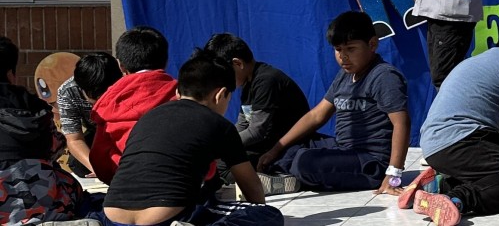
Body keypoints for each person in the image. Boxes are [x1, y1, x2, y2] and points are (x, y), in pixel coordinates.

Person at [98, 50, 282, 226]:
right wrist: (256, 208)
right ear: (220, 95)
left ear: (177, 93)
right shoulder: (220, 125)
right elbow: (251, 185)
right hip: (166, 218)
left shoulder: (148, 118)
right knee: (267, 215)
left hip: (112, 217)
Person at [257, 12, 410, 193]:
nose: (343, 57)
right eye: (338, 50)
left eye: (350, 49)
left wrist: (393, 174)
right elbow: (316, 116)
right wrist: (276, 149)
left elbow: (402, 123)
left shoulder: (384, 76)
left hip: (370, 161)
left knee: (306, 161)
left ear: (372, 44)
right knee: (289, 145)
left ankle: (290, 175)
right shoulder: (344, 75)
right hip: (343, 149)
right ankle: (285, 177)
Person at [412, 33, 499, 222]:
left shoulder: (477, 62)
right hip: (462, 140)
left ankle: (436, 186)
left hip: (433, 147)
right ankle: (456, 199)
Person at [203, 33, 311, 193]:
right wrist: (219, 143)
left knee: (224, 164)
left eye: (223, 75)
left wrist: (222, 146)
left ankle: (264, 182)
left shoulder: (266, 80)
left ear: (237, 63)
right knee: (219, 163)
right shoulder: (248, 84)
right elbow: (242, 124)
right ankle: (258, 179)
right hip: (264, 145)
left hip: (284, 147)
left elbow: (256, 131)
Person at [0, 36, 83, 222]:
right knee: (67, 181)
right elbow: (56, 147)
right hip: (43, 204)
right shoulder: (35, 106)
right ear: (11, 74)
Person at [90, 26, 177, 183]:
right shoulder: (183, 95)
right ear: (166, 60)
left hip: (126, 186)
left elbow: (100, 160)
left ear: (120, 65)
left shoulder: (109, 103)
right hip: (180, 186)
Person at [57, 52, 122, 177]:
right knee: (78, 165)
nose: (102, 102)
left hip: (127, 131)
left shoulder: (127, 83)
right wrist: (96, 168)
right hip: (97, 132)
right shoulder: (68, 91)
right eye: (96, 98)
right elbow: (74, 139)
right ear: (81, 89)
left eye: (107, 96)